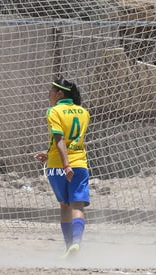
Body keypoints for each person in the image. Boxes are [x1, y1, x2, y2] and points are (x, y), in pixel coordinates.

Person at [34, 78, 90, 259]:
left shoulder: (53, 111)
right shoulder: (84, 112)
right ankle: (76, 243)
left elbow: (60, 140)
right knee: (77, 205)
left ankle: (68, 247)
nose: (48, 95)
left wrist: (65, 164)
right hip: (80, 164)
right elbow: (71, 141)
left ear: (60, 94)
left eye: (51, 91)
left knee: (65, 207)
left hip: (58, 167)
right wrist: (50, 154)